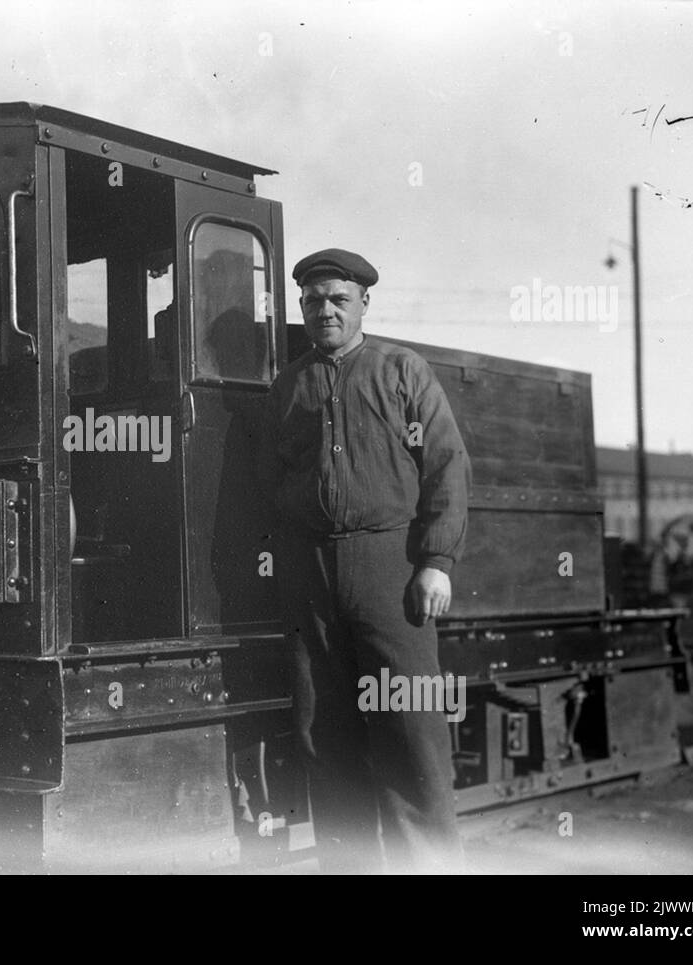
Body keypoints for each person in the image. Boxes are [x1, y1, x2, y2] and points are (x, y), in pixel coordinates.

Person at [256, 247, 471, 873]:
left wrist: (436, 561)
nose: (325, 310)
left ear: (364, 304)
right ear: (301, 306)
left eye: (338, 300)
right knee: (323, 734)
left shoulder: (402, 370)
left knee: (411, 731)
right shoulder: (288, 386)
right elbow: (271, 481)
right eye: (314, 300)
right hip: (312, 576)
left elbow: (447, 467)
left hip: (391, 569)